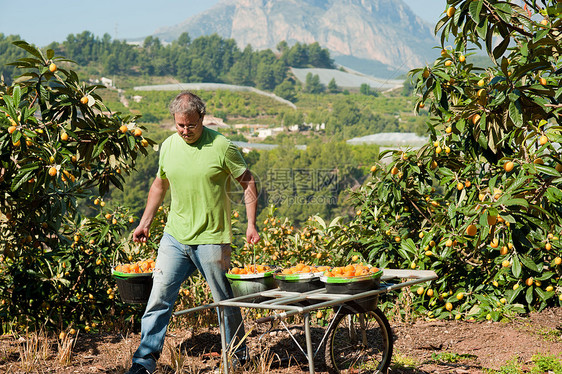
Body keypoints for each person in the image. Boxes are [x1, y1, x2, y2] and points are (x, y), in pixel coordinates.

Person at [125, 91, 260, 374]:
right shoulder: (168, 146)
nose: (185, 131)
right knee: (159, 297)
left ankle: (238, 355)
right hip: (175, 236)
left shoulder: (222, 146)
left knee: (224, 300)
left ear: (202, 117)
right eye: (180, 125)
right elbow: (159, 185)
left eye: (191, 125)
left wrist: (251, 224)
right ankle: (144, 361)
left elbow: (248, 183)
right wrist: (145, 222)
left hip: (212, 237)